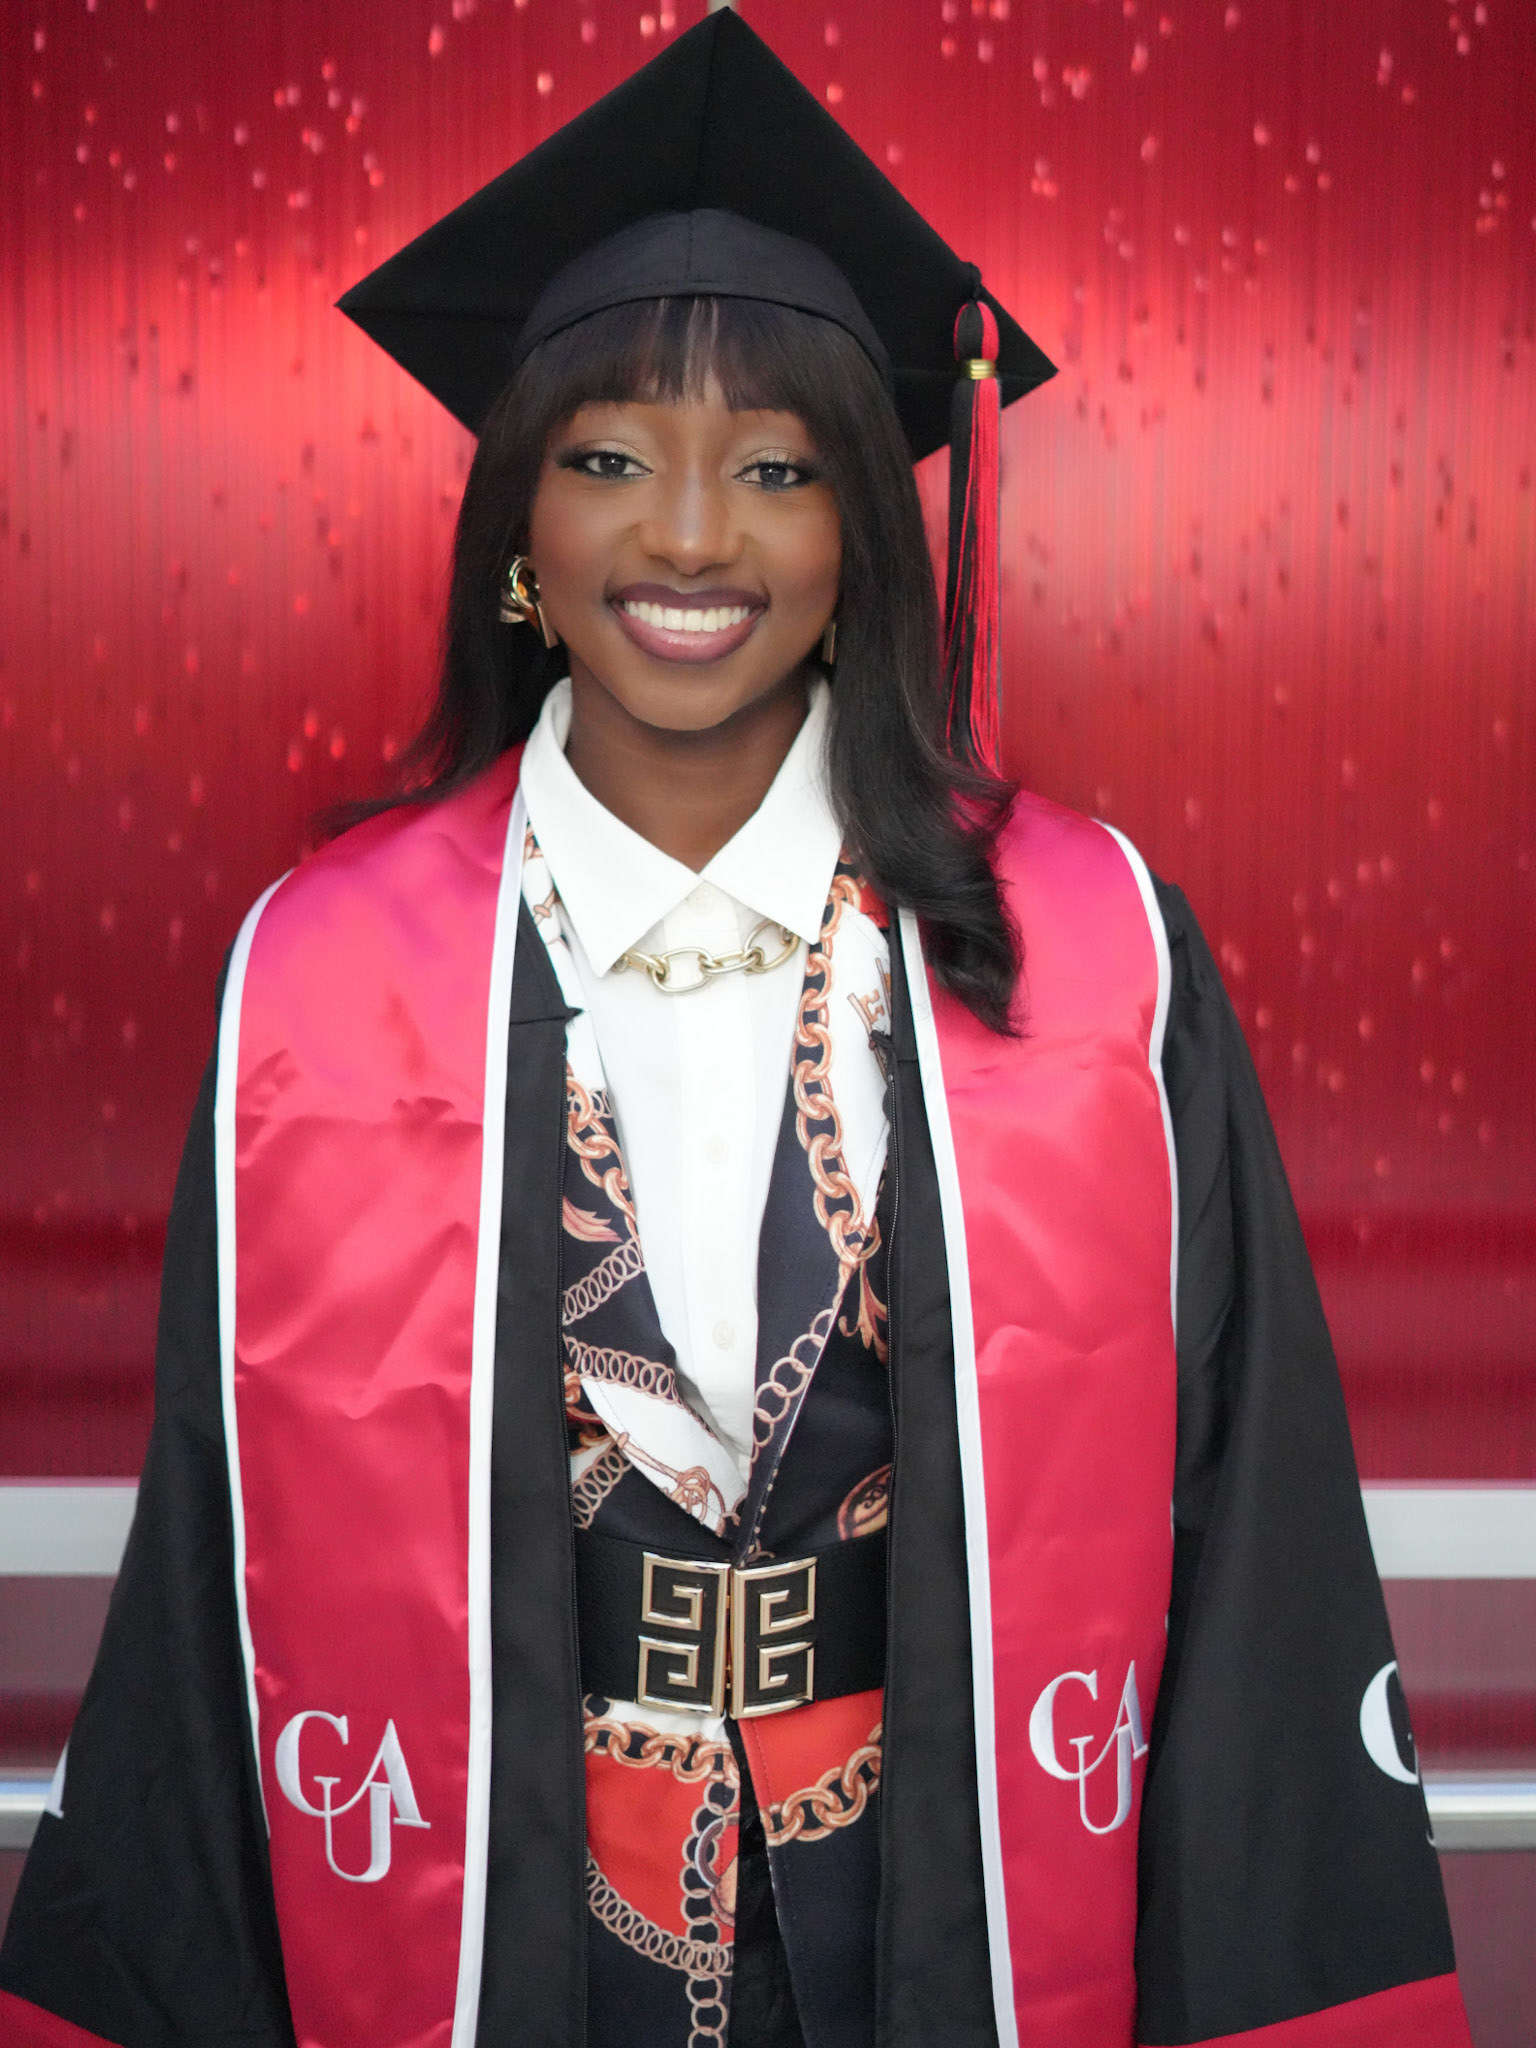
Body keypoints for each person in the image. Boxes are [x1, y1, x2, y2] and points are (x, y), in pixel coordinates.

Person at [0, 15, 1473, 2048]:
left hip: (939, 1912)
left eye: (775, 469)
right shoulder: (319, 980)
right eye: (608, 460)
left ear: (862, 529)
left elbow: (1247, 1518)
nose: (688, 538)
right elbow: (208, 1560)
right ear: (520, 535)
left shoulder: (1089, 952)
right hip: (500, 1914)